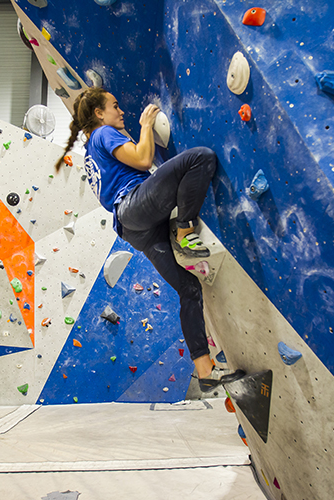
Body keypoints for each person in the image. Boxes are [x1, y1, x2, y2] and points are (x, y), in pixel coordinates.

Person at [55, 87, 244, 391]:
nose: (121, 112)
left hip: (135, 228)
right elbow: (144, 160)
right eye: (114, 106)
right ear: (99, 114)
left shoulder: (91, 148)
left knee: (189, 288)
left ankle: (205, 369)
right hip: (135, 207)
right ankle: (184, 232)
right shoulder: (104, 133)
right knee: (200, 158)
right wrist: (145, 126)